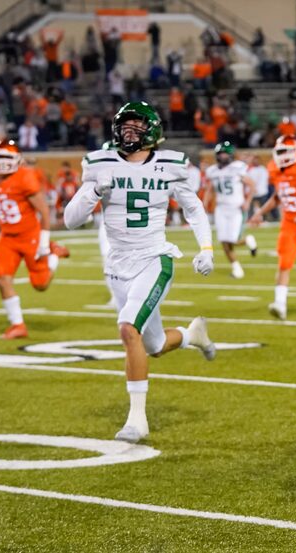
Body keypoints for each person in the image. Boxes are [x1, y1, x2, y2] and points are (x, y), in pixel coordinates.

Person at [64, 101, 217, 443]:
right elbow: (70, 220)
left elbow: (194, 209)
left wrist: (206, 249)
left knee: (127, 327)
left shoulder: (170, 165)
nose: (129, 132)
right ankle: (193, 335)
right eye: (125, 125)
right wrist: (93, 192)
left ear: (153, 131)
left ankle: (136, 420)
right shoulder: (99, 165)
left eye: (137, 125)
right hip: (118, 266)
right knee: (155, 345)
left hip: (153, 258)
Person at [0, 140, 70, 339]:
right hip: (7, 237)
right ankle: (18, 325)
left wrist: (45, 243)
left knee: (41, 285)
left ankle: (54, 254)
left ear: (17, 160)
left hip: (30, 237)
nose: (1, 163)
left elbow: (44, 211)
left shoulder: (24, 177)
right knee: (2, 278)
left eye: (6, 158)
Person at [248, 136, 296, 320]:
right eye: (279, 151)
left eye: (285, 151)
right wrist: (259, 212)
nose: (281, 155)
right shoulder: (276, 170)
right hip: (289, 223)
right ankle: (280, 303)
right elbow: (278, 197)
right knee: (284, 263)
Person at [203, 141, 257, 279]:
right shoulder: (213, 170)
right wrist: (204, 204)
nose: (222, 156)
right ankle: (237, 268)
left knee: (232, 240)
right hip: (221, 209)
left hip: (236, 209)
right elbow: (210, 189)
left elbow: (252, 185)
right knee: (223, 240)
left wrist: (247, 202)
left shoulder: (237, 168)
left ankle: (248, 240)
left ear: (231, 155)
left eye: (225, 153)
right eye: (220, 154)